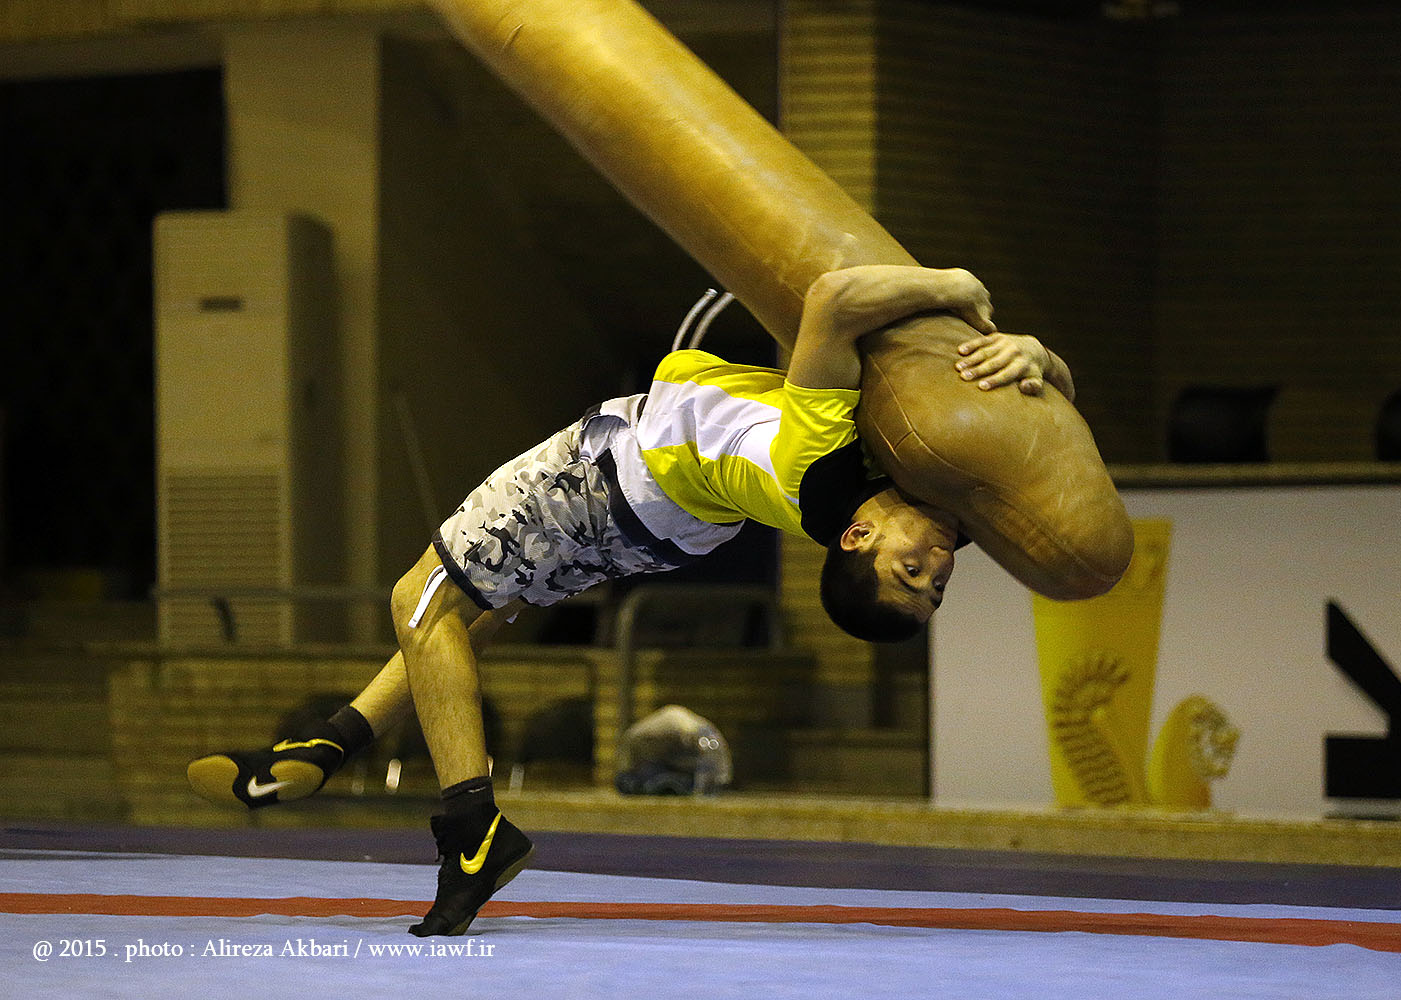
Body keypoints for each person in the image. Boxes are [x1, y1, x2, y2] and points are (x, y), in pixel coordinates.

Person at [186, 264, 1076, 937]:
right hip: (665, 532)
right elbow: (1062, 460)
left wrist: (957, 286)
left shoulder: (823, 457)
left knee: (421, 597)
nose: (936, 564)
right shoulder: (944, 508)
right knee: (474, 612)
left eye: (913, 576)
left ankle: (470, 828)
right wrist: (1041, 361)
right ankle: (329, 744)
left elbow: (834, 297)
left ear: (855, 539)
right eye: (934, 581)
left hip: (616, 478)